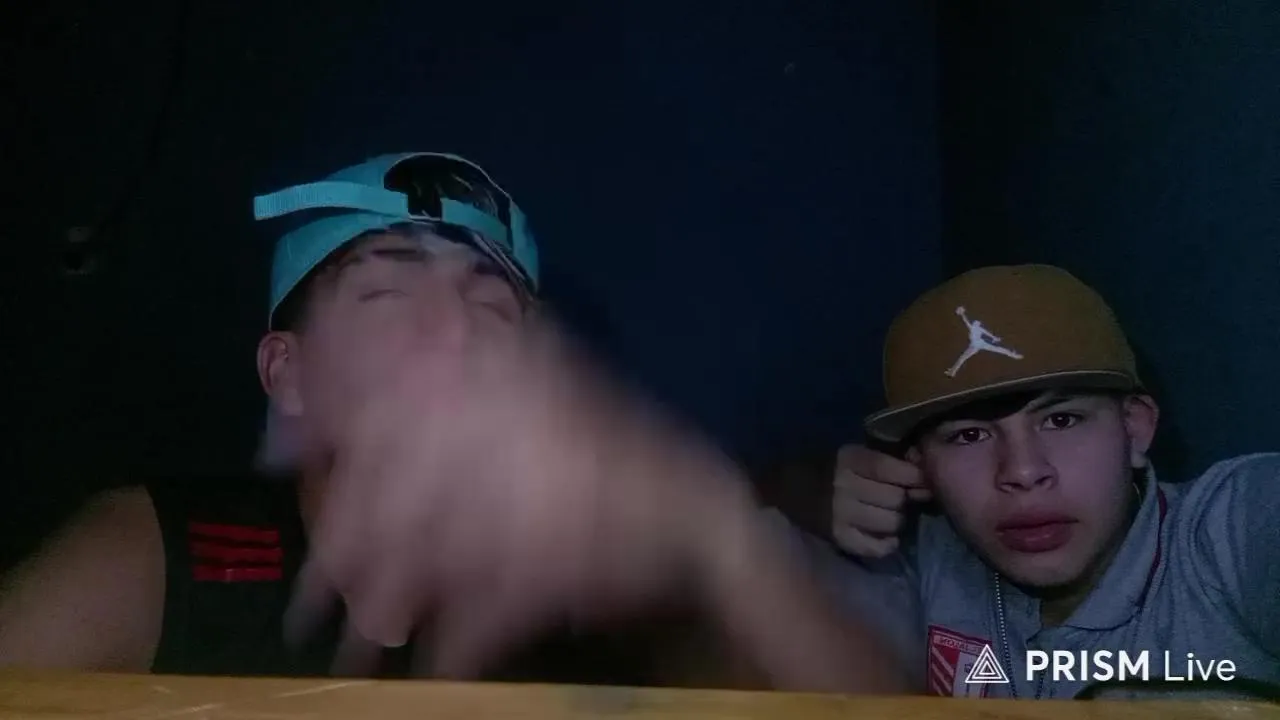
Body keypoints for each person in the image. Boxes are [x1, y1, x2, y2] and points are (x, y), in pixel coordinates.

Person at [0, 151, 904, 693]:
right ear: (288, 372)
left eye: (491, 303)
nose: (453, 332)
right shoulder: (159, 559)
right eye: (388, 293)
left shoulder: (610, 593)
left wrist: (720, 539)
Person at [800, 264, 1280, 698]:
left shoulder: (1225, 533)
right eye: (969, 435)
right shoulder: (927, 560)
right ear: (920, 465)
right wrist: (801, 490)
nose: (1023, 472)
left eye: (1061, 420)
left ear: (1134, 429)